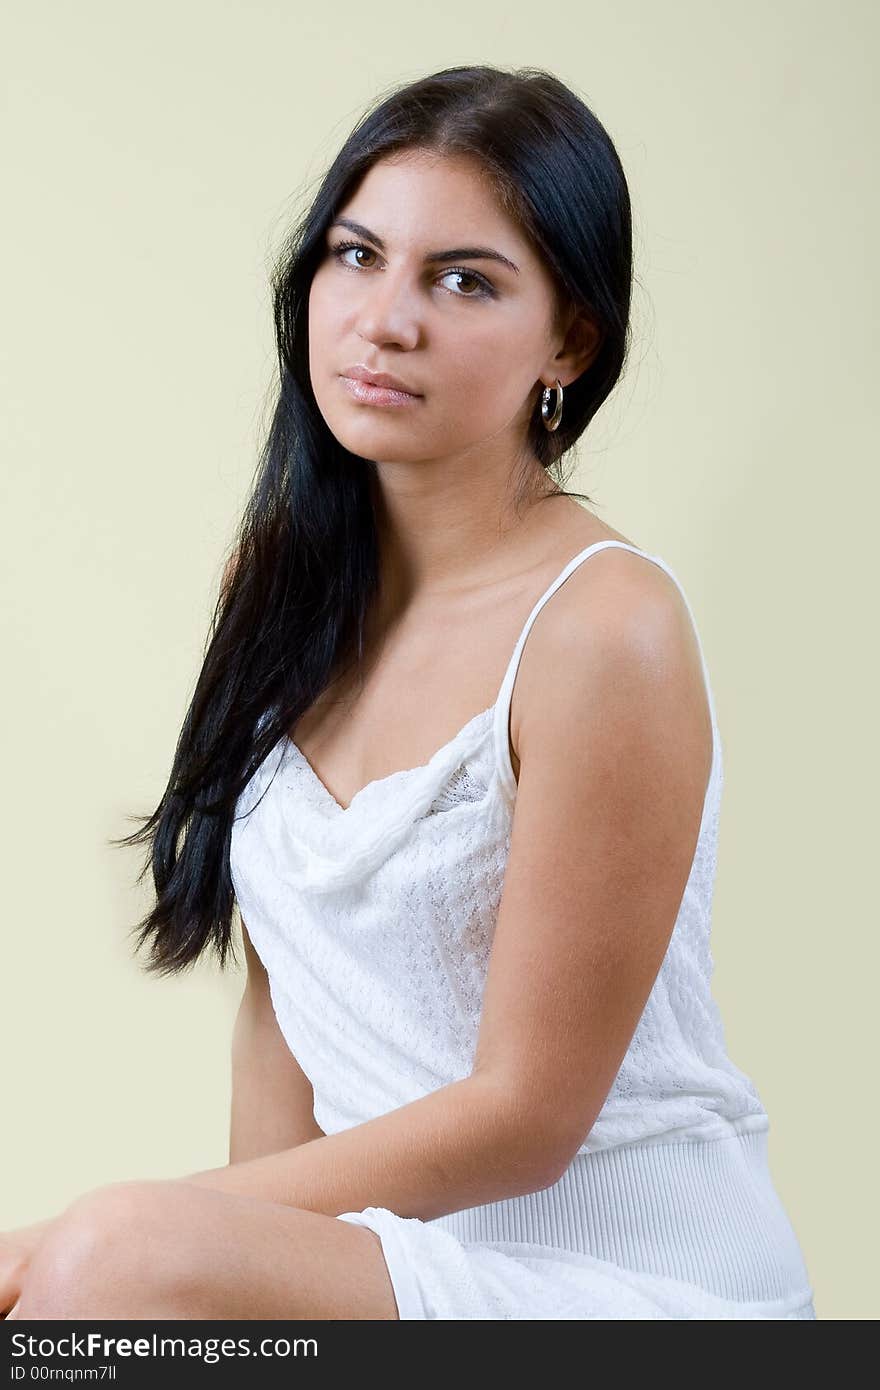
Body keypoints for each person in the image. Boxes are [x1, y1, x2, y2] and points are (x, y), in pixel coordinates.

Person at [3, 64, 816, 1321]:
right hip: (387, 1267)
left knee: (107, 1259)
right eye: (357, 255)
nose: (386, 318)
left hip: (637, 1278)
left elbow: (526, 1119)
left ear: (571, 339)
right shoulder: (284, 595)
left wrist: (120, 1236)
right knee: (105, 1282)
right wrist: (182, 1259)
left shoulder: (604, 627)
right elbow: (285, 1024)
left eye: (462, 280)